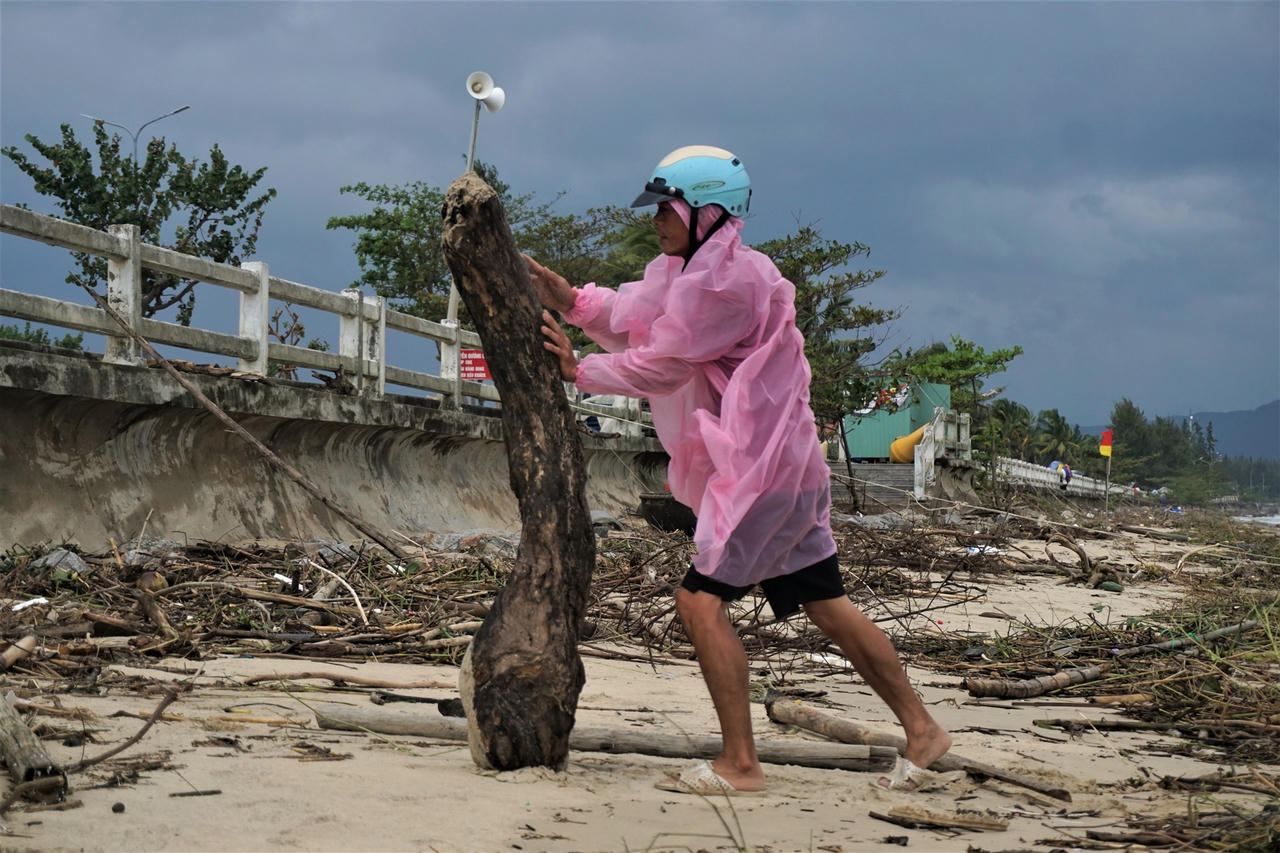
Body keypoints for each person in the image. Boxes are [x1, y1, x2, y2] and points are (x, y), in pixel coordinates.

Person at [526, 145, 951, 795]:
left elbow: (663, 360)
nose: (656, 221)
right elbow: (637, 313)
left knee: (699, 602)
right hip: (783, 471)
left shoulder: (725, 283)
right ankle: (922, 729)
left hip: (763, 476)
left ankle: (740, 763)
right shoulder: (693, 271)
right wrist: (574, 301)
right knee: (827, 604)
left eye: (667, 209)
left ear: (708, 211)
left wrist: (578, 372)